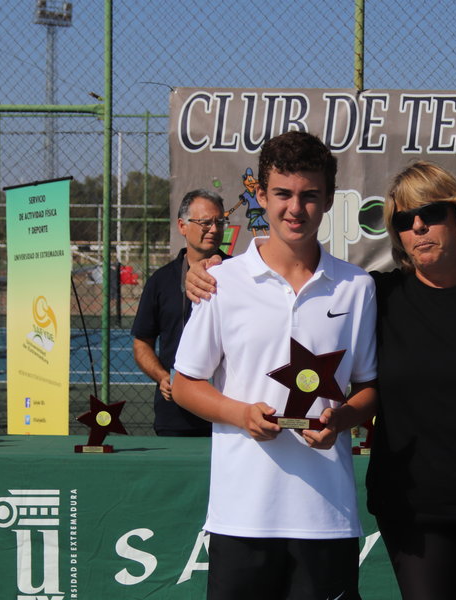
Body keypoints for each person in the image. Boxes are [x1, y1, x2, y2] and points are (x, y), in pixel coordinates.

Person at [185, 161, 456, 600]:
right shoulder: (378, 294)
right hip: (412, 507)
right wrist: (207, 271)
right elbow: (360, 380)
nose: (418, 227)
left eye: (431, 213)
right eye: (405, 221)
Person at [172, 131, 377, 600]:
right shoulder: (221, 281)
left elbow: (369, 389)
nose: (295, 208)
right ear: (261, 196)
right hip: (242, 516)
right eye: (283, 194)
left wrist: (341, 419)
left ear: (328, 200)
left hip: (327, 516)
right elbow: (184, 384)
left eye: (310, 196)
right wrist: (240, 414)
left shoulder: (356, 287)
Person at [130, 189, 229, 436]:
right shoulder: (160, 281)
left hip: (229, 412)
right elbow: (142, 343)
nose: (214, 229)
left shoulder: (241, 276)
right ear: (182, 226)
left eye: (219, 222)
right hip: (175, 416)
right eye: (205, 222)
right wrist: (162, 377)